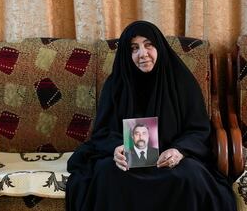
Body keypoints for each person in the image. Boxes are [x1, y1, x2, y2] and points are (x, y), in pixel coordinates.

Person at [65, 20, 236, 211]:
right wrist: (117, 148)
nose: (142, 54)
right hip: (128, 163)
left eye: (148, 45)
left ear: (159, 47)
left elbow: (198, 129)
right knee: (107, 175)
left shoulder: (181, 81)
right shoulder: (116, 85)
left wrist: (179, 151)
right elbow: (103, 131)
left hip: (171, 160)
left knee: (190, 176)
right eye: (134, 48)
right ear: (126, 54)